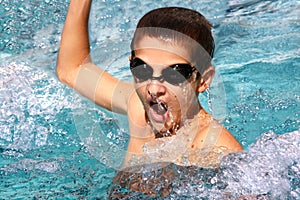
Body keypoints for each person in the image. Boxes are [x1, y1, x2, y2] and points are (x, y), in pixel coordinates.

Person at [56, 0, 243, 169]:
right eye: (142, 69)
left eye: (174, 74)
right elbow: (72, 69)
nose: (153, 89)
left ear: (203, 79)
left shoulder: (218, 152)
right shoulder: (137, 106)